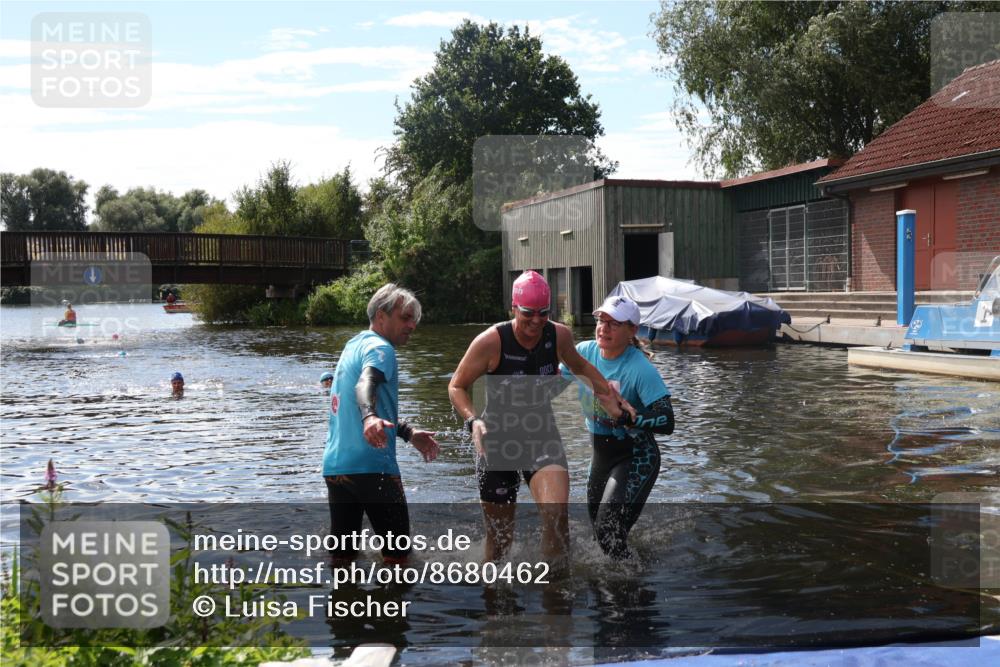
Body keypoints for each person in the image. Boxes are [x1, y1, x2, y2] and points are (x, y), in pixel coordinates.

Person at [449, 270, 625, 568]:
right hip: (497, 441)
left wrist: (612, 399)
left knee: (557, 517)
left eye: (543, 313)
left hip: (540, 434)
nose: (536, 321)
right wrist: (472, 420)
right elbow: (456, 386)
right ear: (513, 308)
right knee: (500, 544)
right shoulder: (491, 341)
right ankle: (497, 603)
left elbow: (580, 365)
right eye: (528, 313)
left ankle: (555, 597)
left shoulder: (559, 335)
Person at [322, 284, 439, 566]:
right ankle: (393, 608)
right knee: (398, 560)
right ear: (381, 316)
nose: (411, 325)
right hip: (373, 468)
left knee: (342, 558)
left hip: (336, 469)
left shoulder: (354, 345)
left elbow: (358, 397)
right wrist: (370, 417)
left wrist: (408, 432)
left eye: (414, 319)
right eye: (405, 317)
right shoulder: (381, 348)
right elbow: (366, 384)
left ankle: (343, 607)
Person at [563, 295, 674, 559]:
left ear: (632, 330)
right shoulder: (585, 353)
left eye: (614, 323)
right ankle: (614, 584)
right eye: (602, 320)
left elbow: (667, 420)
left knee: (607, 532)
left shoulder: (639, 368)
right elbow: (549, 380)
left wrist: (626, 417)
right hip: (601, 457)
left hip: (636, 457)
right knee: (600, 534)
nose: (604, 328)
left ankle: (631, 587)